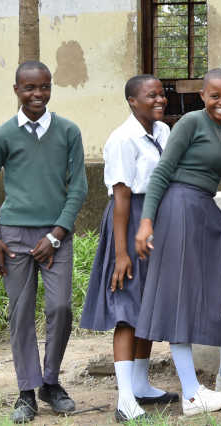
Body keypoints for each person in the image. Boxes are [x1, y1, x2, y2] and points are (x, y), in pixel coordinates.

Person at [132, 68, 221, 417]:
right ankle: (190, 395)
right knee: (180, 295)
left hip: (206, 210)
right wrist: (146, 222)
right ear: (202, 95)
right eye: (215, 95)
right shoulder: (189, 124)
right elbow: (163, 172)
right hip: (180, 209)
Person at [0, 61, 88, 424]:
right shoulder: (3, 135)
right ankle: (26, 391)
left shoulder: (68, 131)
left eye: (44, 87)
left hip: (56, 235)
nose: (37, 94)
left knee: (60, 308)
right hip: (13, 237)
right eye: (29, 88)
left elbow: (80, 187)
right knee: (20, 313)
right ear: (16, 90)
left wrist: (57, 234)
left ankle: (50, 382)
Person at [79, 75, 180, 422]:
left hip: (153, 218)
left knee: (147, 306)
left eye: (161, 94)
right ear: (132, 101)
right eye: (151, 95)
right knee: (126, 308)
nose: (160, 100)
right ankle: (124, 399)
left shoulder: (163, 133)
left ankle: (140, 384)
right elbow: (121, 198)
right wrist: (121, 253)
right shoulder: (122, 139)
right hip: (129, 218)